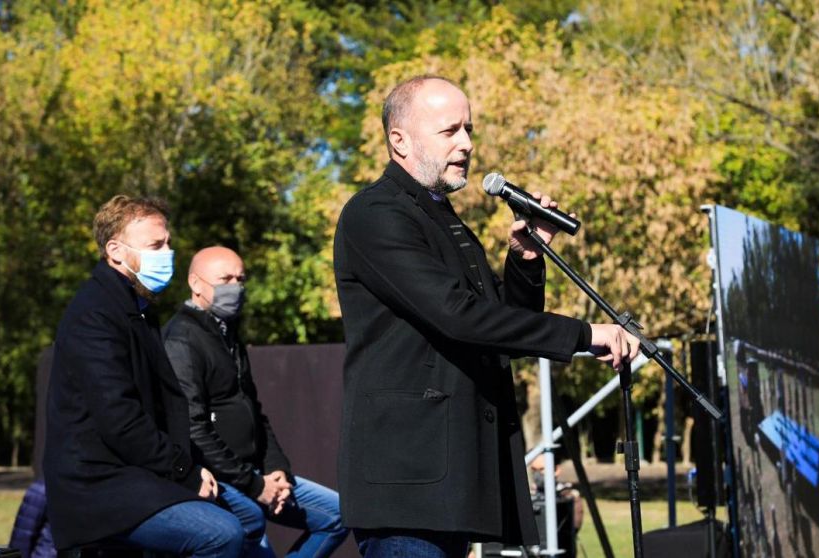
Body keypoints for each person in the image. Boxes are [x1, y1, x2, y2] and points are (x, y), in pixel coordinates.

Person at [332, 75, 640, 557]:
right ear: (400, 140)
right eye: (450, 130)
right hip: (406, 485)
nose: (467, 144)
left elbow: (500, 324)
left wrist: (525, 258)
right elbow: (459, 317)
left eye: (469, 129)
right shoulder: (375, 214)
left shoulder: (443, 219)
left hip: (447, 481)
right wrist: (585, 334)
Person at [43, 195, 263, 557]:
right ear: (115, 250)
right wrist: (186, 472)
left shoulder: (136, 307)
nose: (167, 253)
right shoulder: (95, 315)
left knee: (250, 518)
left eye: (168, 243)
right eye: (155, 245)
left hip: (137, 473)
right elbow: (120, 420)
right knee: (220, 533)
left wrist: (191, 466)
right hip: (99, 484)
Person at [163, 246, 349, 558]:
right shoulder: (181, 339)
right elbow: (194, 429)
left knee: (337, 515)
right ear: (196, 284)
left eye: (240, 279)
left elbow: (254, 410)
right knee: (249, 524)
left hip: (257, 472)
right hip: (222, 481)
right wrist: (253, 485)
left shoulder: (228, 333)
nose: (235, 288)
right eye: (225, 279)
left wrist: (277, 469)